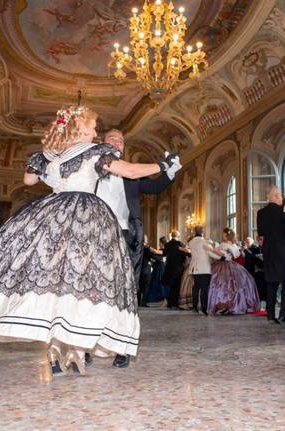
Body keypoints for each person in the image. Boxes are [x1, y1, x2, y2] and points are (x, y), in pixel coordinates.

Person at [0, 105, 174, 377]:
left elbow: (28, 180)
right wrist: (162, 165)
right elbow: (131, 172)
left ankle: (55, 348)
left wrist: (43, 158)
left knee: (57, 283)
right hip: (86, 217)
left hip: (53, 216)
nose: (96, 131)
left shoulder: (51, 155)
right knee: (83, 282)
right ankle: (74, 348)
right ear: (81, 127)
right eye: (93, 126)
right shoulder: (95, 151)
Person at [101, 128, 180, 368]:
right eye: (112, 138)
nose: (117, 142)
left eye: (121, 140)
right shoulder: (92, 167)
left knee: (126, 290)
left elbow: (154, 187)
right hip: (97, 233)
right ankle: (85, 344)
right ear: (102, 143)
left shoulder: (130, 172)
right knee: (95, 290)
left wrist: (170, 173)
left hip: (127, 235)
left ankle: (123, 346)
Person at [256, 186, 285, 324]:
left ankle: (270, 315)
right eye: (280, 196)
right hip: (284, 252)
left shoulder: (260, 213)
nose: (281, 199)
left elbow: (261, 232)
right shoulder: (283, 212)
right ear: (276, 197)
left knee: (271, 284)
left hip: (269, 252)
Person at [208, 228, 259, 315]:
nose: (223, 236)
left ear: (227, 235)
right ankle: (230, 305)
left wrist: (213, 249)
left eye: (224, 234)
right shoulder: (234, 245)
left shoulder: (223, 245)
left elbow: (220, 255)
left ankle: (224, 304)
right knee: (231, 286)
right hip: (231, 265)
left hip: (223, 265)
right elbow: (237, 255)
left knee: (222, 285)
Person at [188, 225, 222, 314]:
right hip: (204, 268)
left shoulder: (191, 242)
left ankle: (195, 307)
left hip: (194, 268)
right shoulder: (203, 241)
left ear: (195, 232)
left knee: (196, 288)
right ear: (202, 232)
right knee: (204, 289)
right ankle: (204, 308)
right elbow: (210, 251)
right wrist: (220, 257)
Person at [163, 231, 190, 309]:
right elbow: (188, 254)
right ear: (178, 236)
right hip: (178, 268)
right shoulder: (180, 244)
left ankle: (170, 303)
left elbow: (164, 254)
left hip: (169, 267)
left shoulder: (167, 244)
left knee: (170, 286)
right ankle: (175, 303)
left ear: (171, 236)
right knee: (177, 286)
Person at [146, 236, 169, 304]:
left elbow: (155, 251)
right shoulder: (160, 249)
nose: (159, 244)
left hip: (161, 268)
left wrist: (148, 246)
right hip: (157, 267)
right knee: (154, 282)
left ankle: (162, 298)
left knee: (159, 282)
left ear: (162, 243)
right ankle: (157, 298)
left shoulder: (165, 250)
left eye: (160, 242)